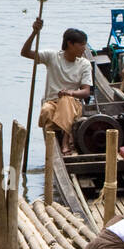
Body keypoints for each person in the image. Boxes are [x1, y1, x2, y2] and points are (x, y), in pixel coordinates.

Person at [21, 18, 92, 153]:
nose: (84, 48)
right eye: (81, 45)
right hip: (52, 103)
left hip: (73, 104)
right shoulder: (52, 56)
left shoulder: (84, 64)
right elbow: (25, 53)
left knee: (66, 100)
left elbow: (86, 92)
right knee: (47, 110)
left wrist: (70, 92)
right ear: (70, 44)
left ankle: (65, 141)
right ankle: (68, 133)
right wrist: (34, 32)